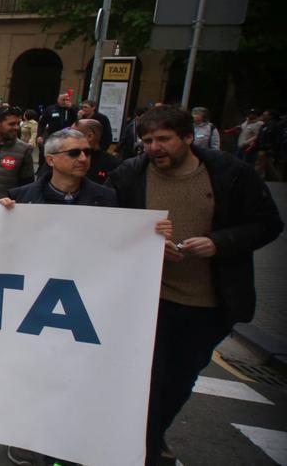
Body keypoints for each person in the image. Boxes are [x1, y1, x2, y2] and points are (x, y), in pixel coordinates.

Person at [108, 105, 282, 465]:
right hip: (147, 299)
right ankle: (144, 447)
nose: (155, 147)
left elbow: (267, 224)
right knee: (145, 381)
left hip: (206, 302)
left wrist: (220, 242)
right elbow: (108, 222)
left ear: (189, 137)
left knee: (179, 379)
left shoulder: (231, 174)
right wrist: (145, 241)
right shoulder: (130, 174)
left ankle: (151, 437)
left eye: (164, 139)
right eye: (147, 140)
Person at [0, 128, 149, 466]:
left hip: (83, 303)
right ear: (51, 160)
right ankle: (24, 435)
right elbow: (2, 247)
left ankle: (68, 440)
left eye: (86, 152)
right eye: (74, 153)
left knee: (75, 373)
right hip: (32, 304)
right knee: (30, 372)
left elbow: (121, 243)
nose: (84, 158)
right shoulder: (20, 197)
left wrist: (150, 235)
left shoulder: (107, 199)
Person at [72, 118, 121, 185]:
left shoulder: (113, 165)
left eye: (74, 134)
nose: (69, 138)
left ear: (90, 136)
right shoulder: (68, 158)